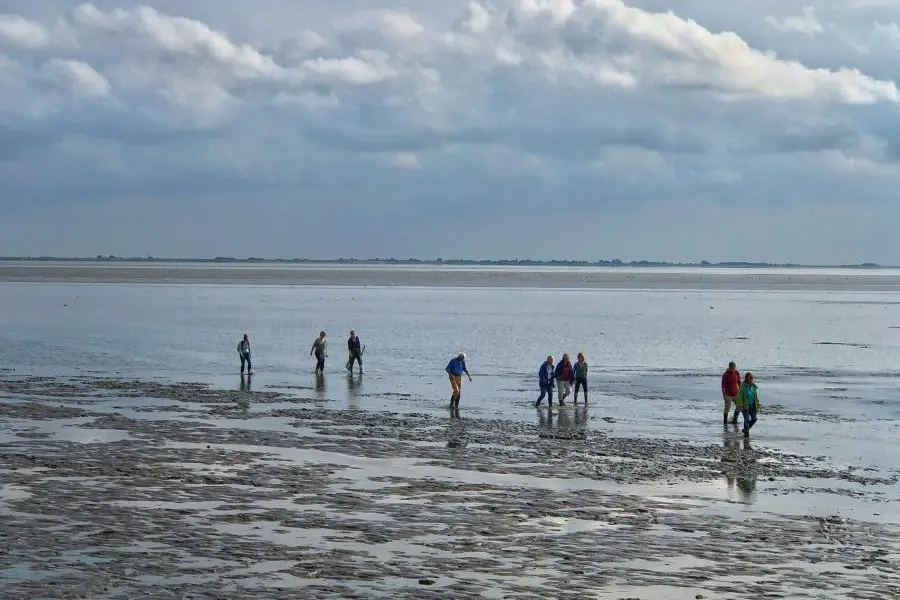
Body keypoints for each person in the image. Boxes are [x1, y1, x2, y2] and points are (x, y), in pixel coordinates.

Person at [734, 372, 762, 438]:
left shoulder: (753, 386)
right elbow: (739, 396)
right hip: (745, 405)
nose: (752, 379)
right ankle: (746, 434)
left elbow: (755, 397)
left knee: (754, 419)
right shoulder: (743, 386)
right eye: (750, 378)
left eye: (752, 378)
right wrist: (740, 405)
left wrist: (758, 404)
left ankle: (745, 429)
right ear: (746, 378)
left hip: (752, 405)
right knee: (746, 419)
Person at [721, 361, 741, 425]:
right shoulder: (725, 374)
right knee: (727, 408)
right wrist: (724, 395)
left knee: (739, 406)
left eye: (735, 368)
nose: (734, 369)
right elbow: (723, 386)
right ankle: (725, 422)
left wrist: (741, 391)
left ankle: (735, 420)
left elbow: (739, 382)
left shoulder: (736, 372)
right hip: (728, 394)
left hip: (736, 394)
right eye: (733, 368)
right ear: (730, 367)